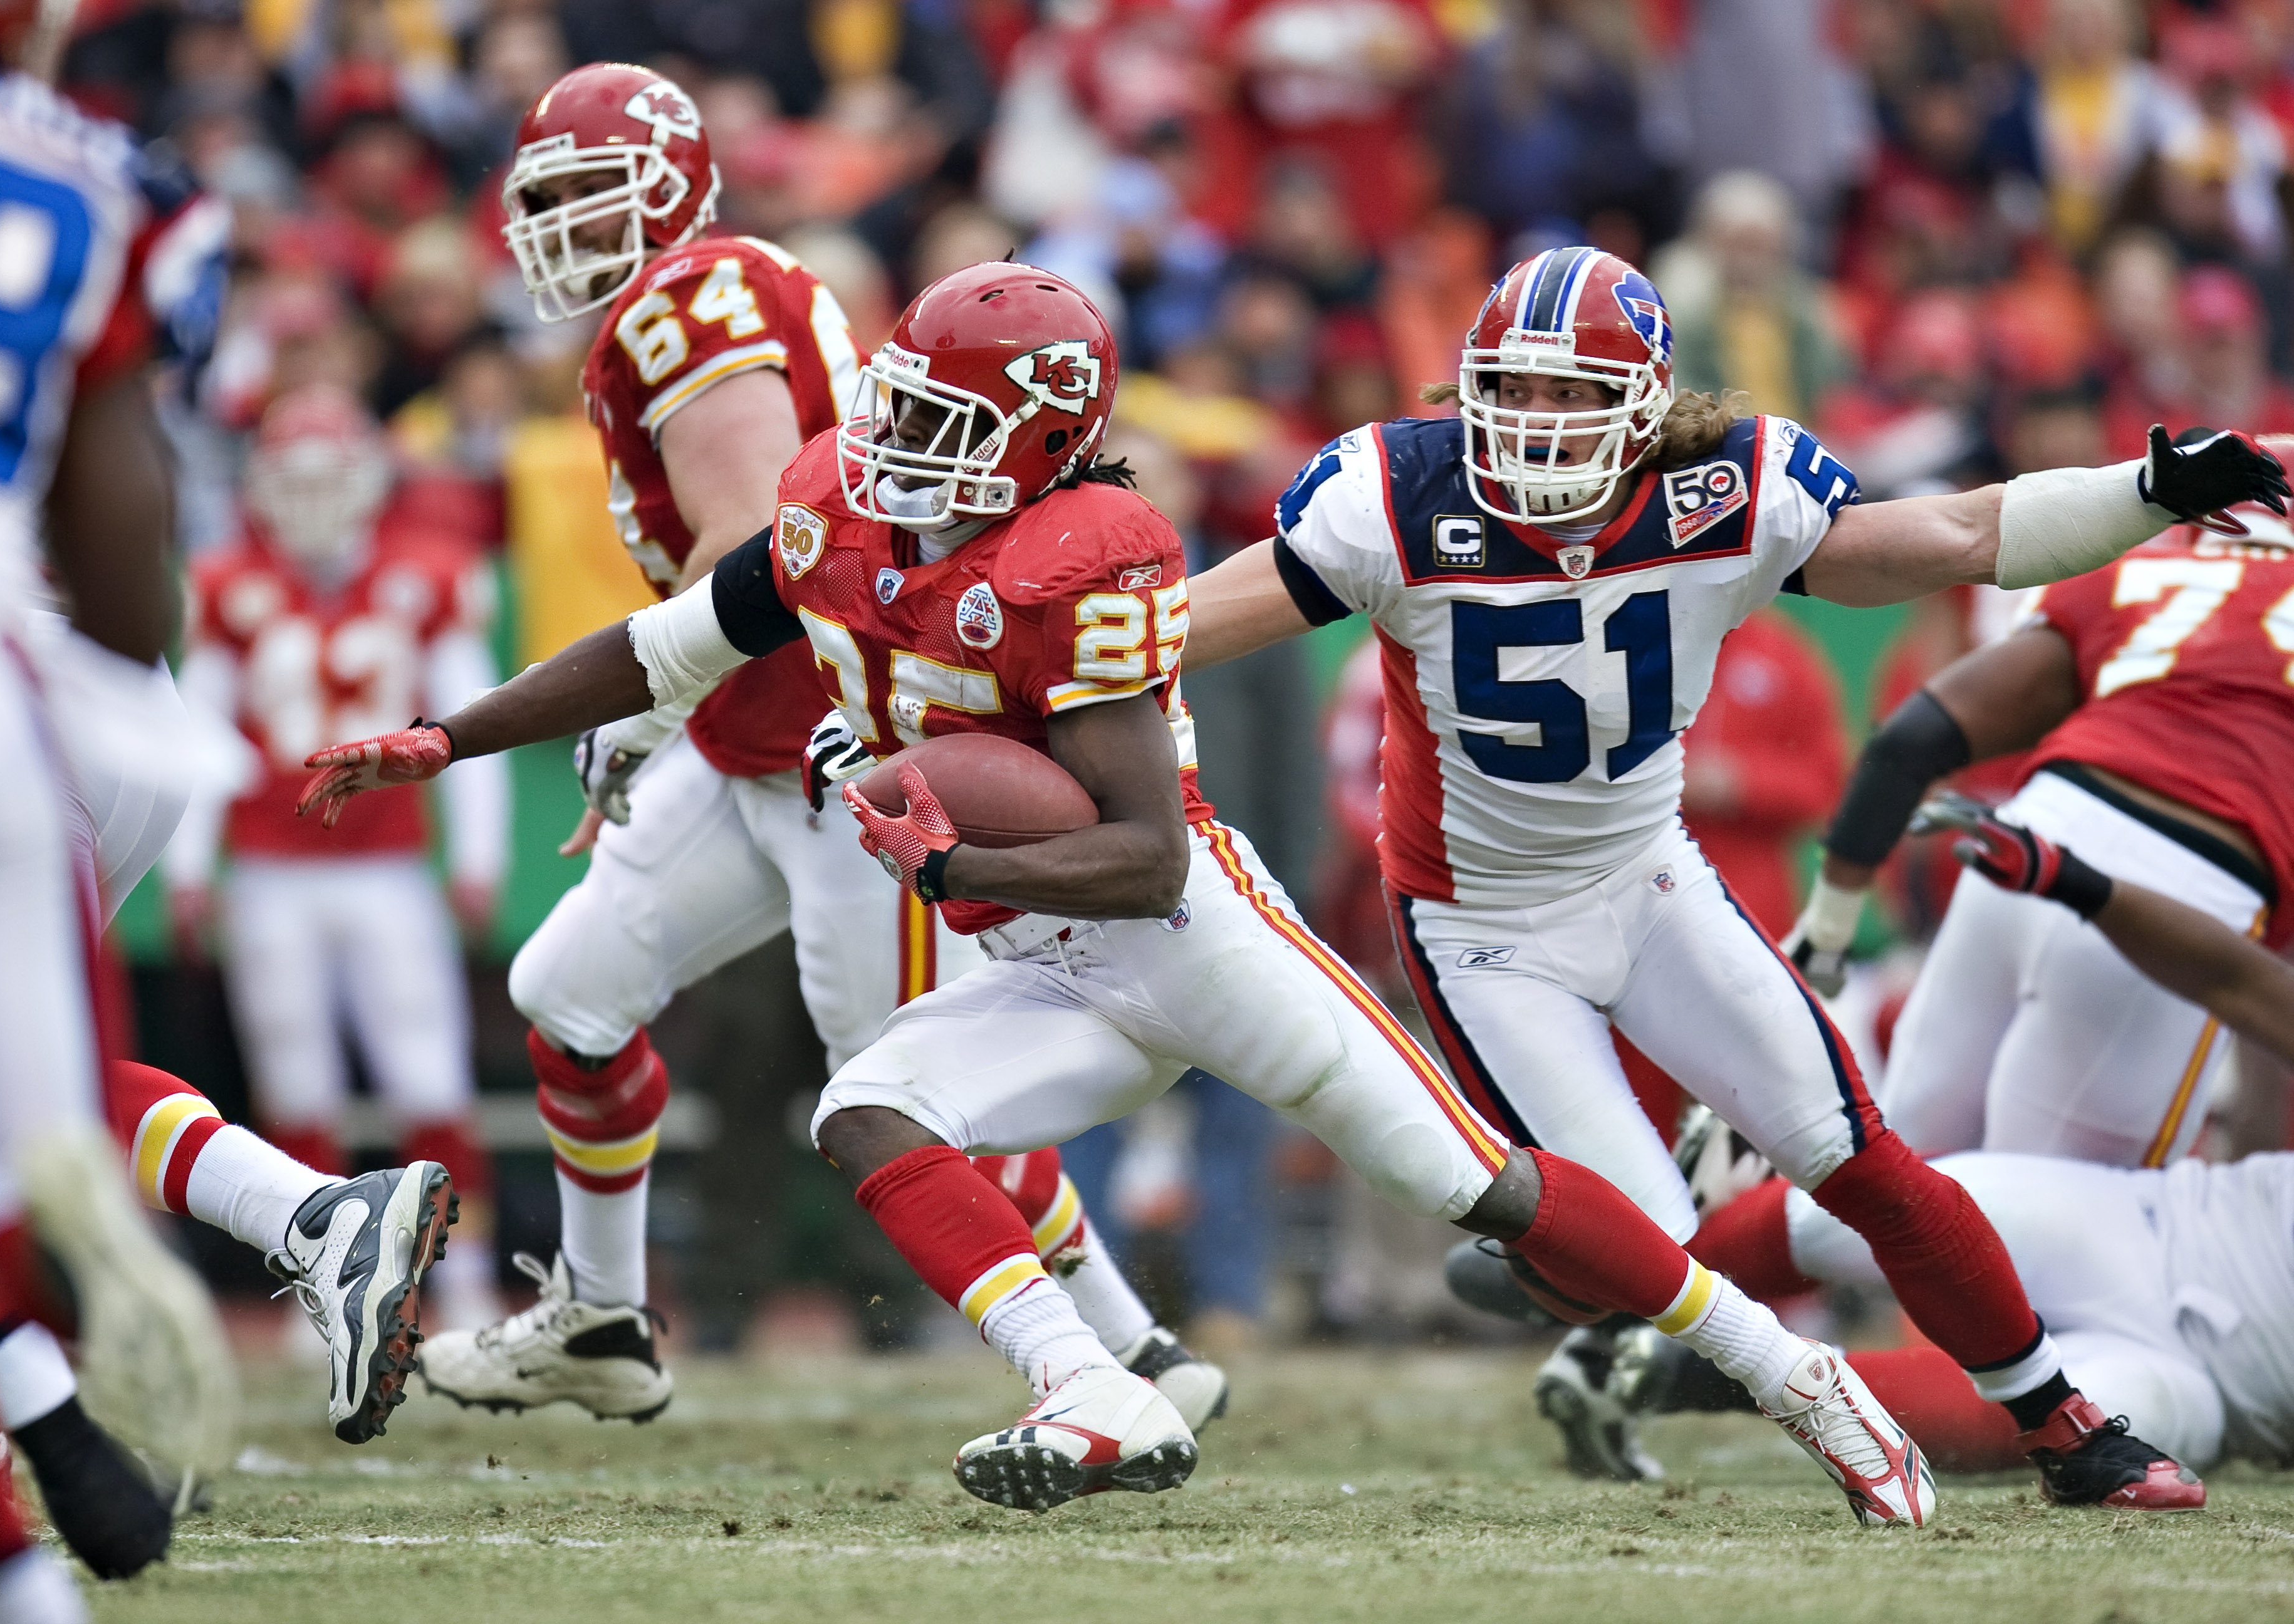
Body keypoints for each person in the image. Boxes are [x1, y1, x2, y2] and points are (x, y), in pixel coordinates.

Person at [300, 261, 1944, 1531]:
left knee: (1487, 1190)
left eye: (938, 422)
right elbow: (658, 653)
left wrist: (955, 863)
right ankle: (1097, 1389)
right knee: (867, 1110)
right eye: (891, 403)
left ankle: (1784, 1366)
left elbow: (1144, 852)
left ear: (1035, 439)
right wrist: (447, 737)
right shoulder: (831, 516)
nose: (885, 443)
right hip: (1044, 960)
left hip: (1184, 936)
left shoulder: (1087, 559)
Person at [1176, 244, 2288, 1509]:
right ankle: (1561, 1257)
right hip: (1481, 925)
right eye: (1514, 390)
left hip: (1648, 882)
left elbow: (1962, 532)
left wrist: (2142, 488)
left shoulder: (1724, 494)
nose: (1537, 425)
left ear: (1645, 402)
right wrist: (1020, 664)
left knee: (1862, 1159)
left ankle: (2070, 1428)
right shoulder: (1392, 496)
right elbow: (1195, 620)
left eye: (1573, 393)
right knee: (1656, 1258)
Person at [429, 62, 1217, 1429]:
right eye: (542, 198)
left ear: (671, 186)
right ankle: (605, 1320)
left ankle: (1131, 1357)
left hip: (834, 746)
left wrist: (653, 696)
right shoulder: (724, 281)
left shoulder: (687, 303)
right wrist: (675, 713)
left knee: (908, 1085)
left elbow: (752, 553)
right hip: (756, 736)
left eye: (587, 194)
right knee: (570, 990)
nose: (561, 223)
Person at [0, 4, 234, 1618]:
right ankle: (45, 1390)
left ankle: (28, 1368)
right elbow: (123, 564)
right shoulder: (106, 177)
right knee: (20, 1177)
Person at [1622, 796, 2294, 1486]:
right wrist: (2082, 884)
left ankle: (1695, 1372)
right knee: (1876, 1210)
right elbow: (2249, 986)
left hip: (2215, 1385)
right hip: (2163, 1233)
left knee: (2053, 1420)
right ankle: (1615, 1290)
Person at [1785, 493, 2294, 1169]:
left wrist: (1825, 933)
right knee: (2052, 1235)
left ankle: (1721, 1237)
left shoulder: (2135, 568)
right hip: (2194, 894)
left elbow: (1910, 742)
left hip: (2025, 848)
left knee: (1898, 1188)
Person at [164, 383, 506, 1333]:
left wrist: (475, 856)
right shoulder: (230, 582)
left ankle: (464, 1283)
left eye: (329, 478)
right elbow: (200, 733)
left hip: (387, 868)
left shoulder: (426, 575)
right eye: (293, 480)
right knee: (296, 1086)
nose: (311, 500)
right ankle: (322, 1290)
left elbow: (465, 728)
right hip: (273, 869)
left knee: (427, 1077)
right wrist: (192, 869)